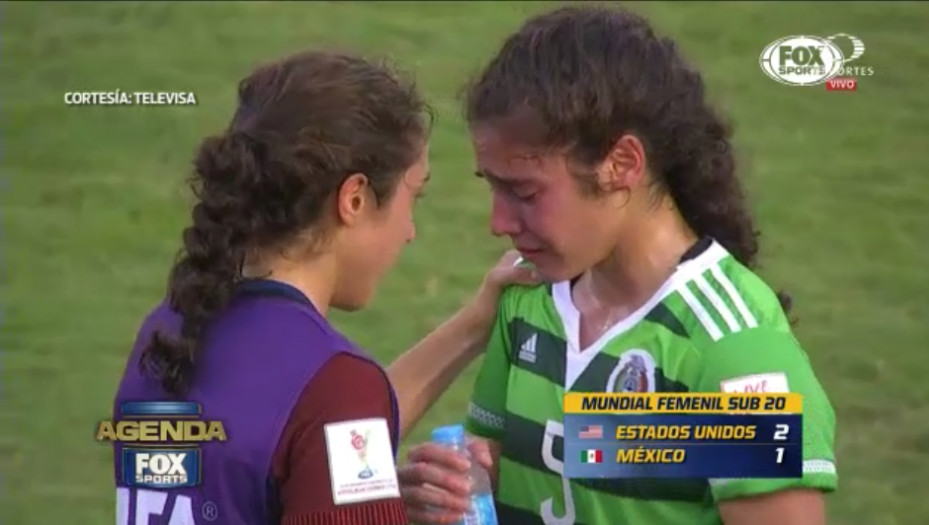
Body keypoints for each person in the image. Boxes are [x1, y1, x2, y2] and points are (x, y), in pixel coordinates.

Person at [398, 5, 837, 525]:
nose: (498, 222)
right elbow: (519, 466)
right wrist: (452, 492)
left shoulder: (729, 345)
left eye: (525, 192)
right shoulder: (526, 301)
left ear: (621, 165)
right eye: (492, 187)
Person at [112, 50, 537, 525]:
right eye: (412, 196)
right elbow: (323, 415)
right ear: (353, 199)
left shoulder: (168, 333)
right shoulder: (335, 386)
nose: (409, 231)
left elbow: (279, 444)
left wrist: (475, 324)